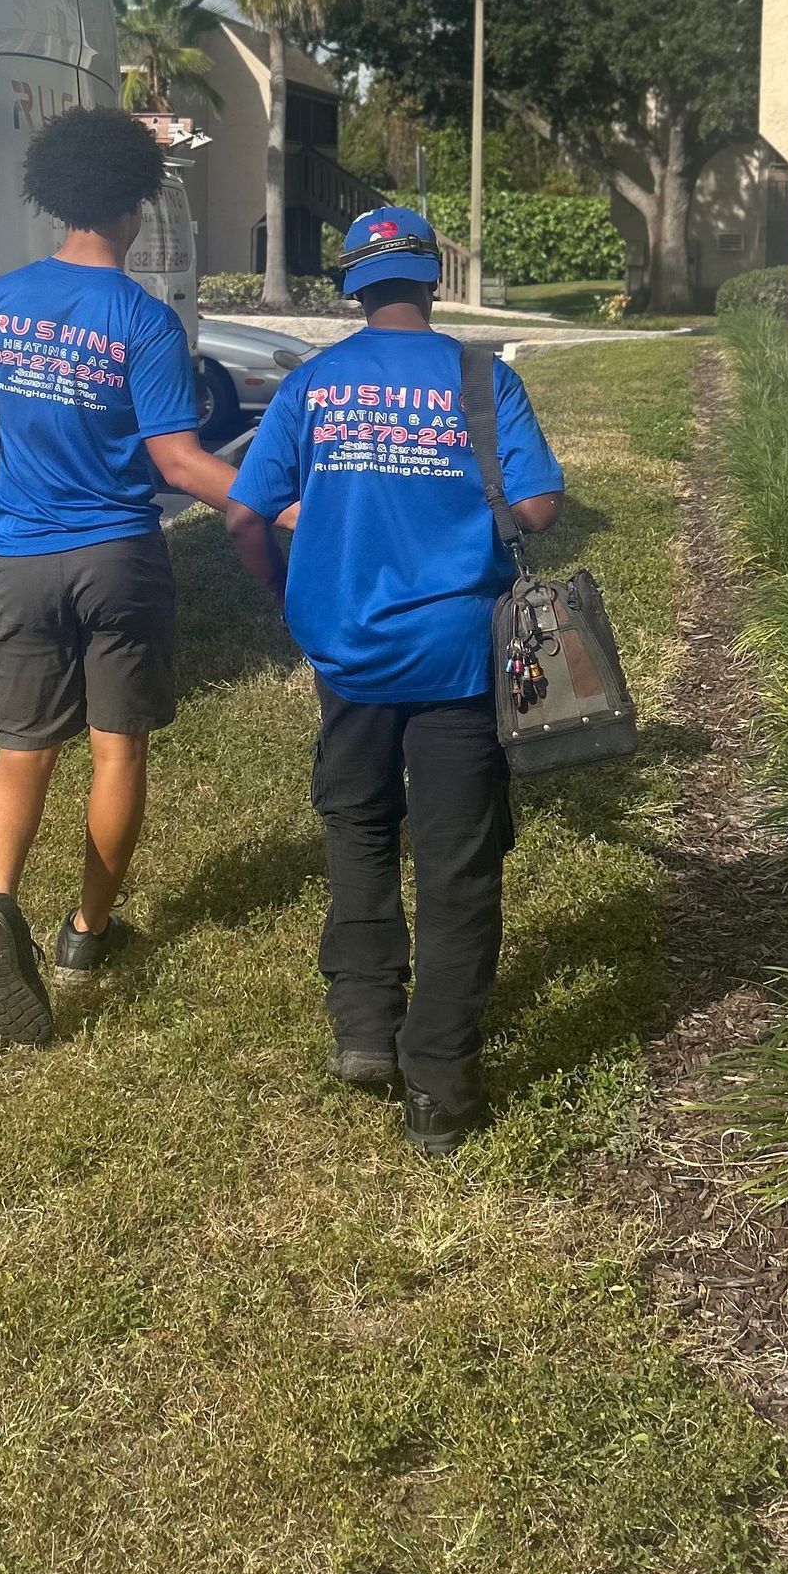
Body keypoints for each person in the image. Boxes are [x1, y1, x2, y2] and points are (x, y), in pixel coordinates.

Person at [225, 205, 564, 1156]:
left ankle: (365, 1027)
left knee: (359, 824)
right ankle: (440, 1090)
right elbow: (537, 503)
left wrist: (288, 596)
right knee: (458, 866)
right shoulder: (480, 379)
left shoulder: (316, 381)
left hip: (350, 655)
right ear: (431, 278)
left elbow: (247, 515)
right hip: (461, 658)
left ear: (353, 286)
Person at [0, 103, 243, 1049]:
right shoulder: (146, 323)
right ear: (136, 204)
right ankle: (87, 932)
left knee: (21, 749)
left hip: (23, 557)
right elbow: (180, 463)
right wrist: (290, 505)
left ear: (52, 197)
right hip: (119, 556)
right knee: (117, 752)